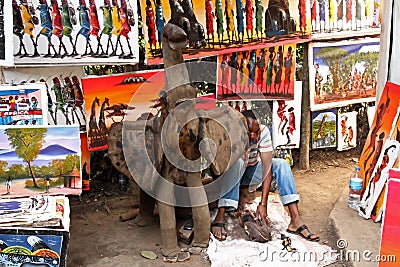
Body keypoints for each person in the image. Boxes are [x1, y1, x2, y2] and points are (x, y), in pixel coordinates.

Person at [211, 110, 320, 242]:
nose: (253, 136)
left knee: (281, 165)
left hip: (250, 174)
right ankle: (220, 215)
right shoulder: (231, 133)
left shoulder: (263, 132)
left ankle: (295, 220)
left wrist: (263, 204)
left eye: (256, 132)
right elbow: (219, 167)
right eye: (249, 131)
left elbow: (266, 168)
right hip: (230, 177)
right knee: (238, 162)